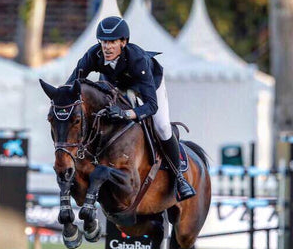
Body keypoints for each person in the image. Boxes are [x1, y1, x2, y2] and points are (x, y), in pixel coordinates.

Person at [65, 16, 195, 201]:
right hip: (115, 84)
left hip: (147, 86)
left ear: (123, 42)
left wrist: (126, 114)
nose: (107, 47)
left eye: (112, 42)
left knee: (162, 127)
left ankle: (179, 178)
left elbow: (151, 105)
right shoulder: (93, 55)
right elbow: (72, 84)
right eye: (103, 42)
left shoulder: (138, 60)